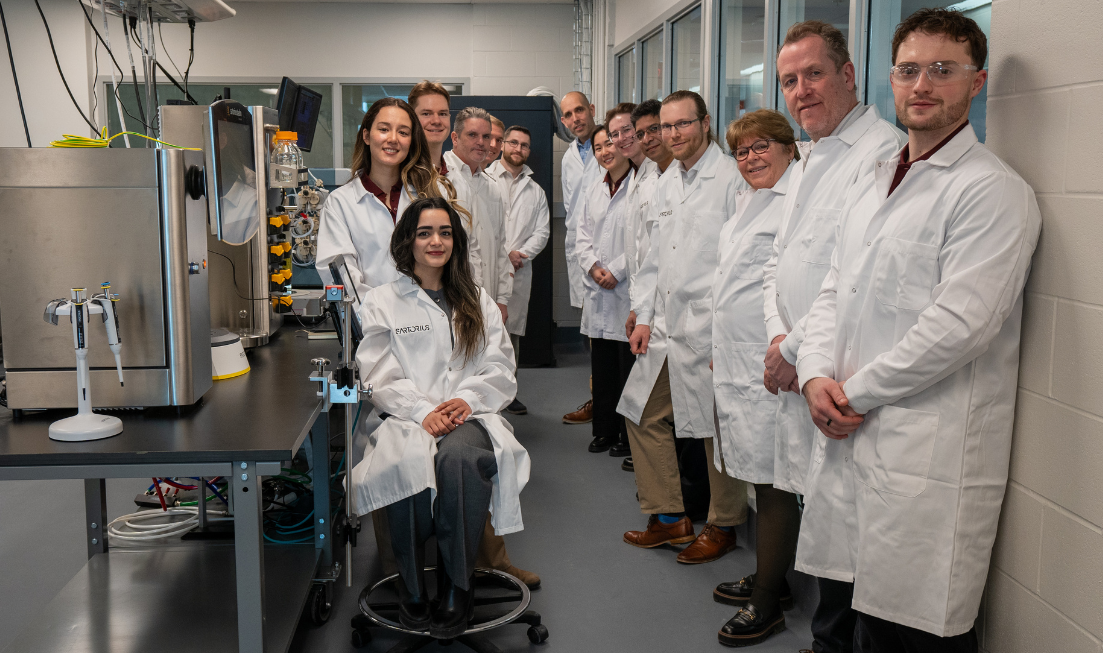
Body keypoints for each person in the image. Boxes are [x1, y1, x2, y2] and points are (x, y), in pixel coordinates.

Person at [795, 10, 1040, 652]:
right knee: (834, 622)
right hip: (848, 435)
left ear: (976, 82)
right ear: (891, 79)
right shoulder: (876, 183)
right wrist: (816, 373)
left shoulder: (991, 192)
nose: (922, 84)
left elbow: (960, 326)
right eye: (909, 69)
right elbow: (833, 289)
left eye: (943, 69)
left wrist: (852, 393)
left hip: (919, 455)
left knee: (899, 635)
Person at [756, 20, 905, 652]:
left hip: (835, 371)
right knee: (821, 516)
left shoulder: (883, 153)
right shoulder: (813, 151)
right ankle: (826, 634)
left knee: (847, 533)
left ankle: (832, 640)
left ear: (848, 74)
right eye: (790, 81)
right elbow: (780, 257)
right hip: (800, 357)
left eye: (813, 75)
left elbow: (849, 280)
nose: (801, 91)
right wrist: (777, 336)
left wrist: (793, 352)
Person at [350, 197, 531, 639]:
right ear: (408, 240)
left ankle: (458, 584)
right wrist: (421, 410)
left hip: (469, 415)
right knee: (409, 463)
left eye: (445, 232)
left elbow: (500, 366)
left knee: (461, 461)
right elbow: (375, 372)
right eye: (425, 232)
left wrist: (467, 400)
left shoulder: (476, 299)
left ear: (456, 240)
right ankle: (411, 587)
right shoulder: (382, 301)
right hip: (405, 417)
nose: (436, 241)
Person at [623, 91, 749, 565]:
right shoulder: (666, 181)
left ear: (706, 123)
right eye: (666, 126)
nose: (673, 135)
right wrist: (646, 317)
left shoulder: (731, 178)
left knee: (717, 427)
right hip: (667, 327)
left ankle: (724, 523)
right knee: (640, 412)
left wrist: (728, 334)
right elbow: (653, 260)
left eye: (682, 124)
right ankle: (669, 517)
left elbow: (741, 262)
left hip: (711, 327)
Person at [708, 110, 800, 648]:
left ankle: (767, 601)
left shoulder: (796, 204)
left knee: (773, 478)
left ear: (789, 149)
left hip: (773, 362)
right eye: (742, 151)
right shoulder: (749, 200)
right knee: (756, 471)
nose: (751, 158)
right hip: (740, 358)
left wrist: (774, 349)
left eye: (763, 146)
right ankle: (774, 576)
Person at [317, 97, 442, 306]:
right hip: (371, 326)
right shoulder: (340, 203)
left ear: (411, 141)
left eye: (403, 132)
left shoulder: (428, 196)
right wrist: (384, 314)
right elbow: (339, 277)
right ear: (366, 135)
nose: (393, 139)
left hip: (427, 321)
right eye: (384, 129)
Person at [617, 99, 675, 474]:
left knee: (651, 412)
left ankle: (677, 507)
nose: (651, 138)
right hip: (657, 310)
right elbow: (649, 254)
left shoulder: (667, 179)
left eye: (657, 129)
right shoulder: (659, 178)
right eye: (643, 133)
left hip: (690, 320)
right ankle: (671, 508)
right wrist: (641, 309)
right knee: (646, 410)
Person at [576, 123, 635, 455]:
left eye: (610, 143)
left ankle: (628, 437)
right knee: (603, 368)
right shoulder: (594, 189)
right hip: (599, 289)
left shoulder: (641, 185)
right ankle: (605, 430)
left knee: (627, 368)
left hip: (624, 287)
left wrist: (615, 270)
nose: (605, 151)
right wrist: (593, 266)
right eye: (598, 147)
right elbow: (581, 235)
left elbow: (644, 240)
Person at [486, 126, 551, 415]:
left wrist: (520, 254)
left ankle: (509, 393)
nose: (518, 149)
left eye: (524, 145)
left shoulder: (535, 191)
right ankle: (481, 391)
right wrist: (501, 254)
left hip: (517, 270)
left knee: (510, 336)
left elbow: (542, 232)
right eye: (513, 142)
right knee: (482, 330)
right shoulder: (484, 179)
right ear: (502, 145)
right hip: (485, 267)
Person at [443, 107, 513, 323]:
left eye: (486, 136)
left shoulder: (492, 188)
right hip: (451, 297)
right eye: (473, 135)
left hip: (488, 298)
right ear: (455, 138)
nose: (482, 142)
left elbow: (500, 247)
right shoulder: (441, 179)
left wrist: (501, 299)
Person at [560, 91, 601, 426]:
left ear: (591, 110)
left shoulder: (609, 145)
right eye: (568, 114)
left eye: (579, 110)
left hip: (609, 255)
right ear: (563, 121)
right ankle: (597, 398)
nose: (575, 118)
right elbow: (572, 211)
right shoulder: (568, 157)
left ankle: (610, 403)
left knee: (613, 337)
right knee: (590, 334)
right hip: (581, 252)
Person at [408, 81, 452, 172]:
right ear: (411, 118)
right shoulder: (398, 175)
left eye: (442, 114)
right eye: (426, 114)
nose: (436, 121)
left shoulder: (457, 176)